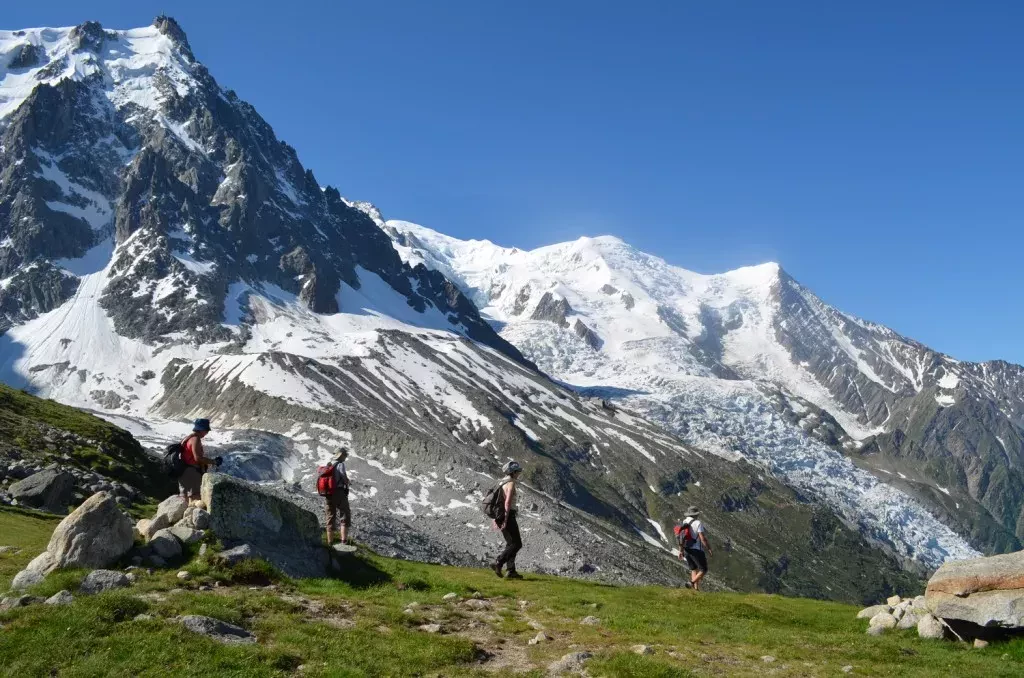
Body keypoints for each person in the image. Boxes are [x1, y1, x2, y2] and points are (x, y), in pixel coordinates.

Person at [491, 460, 524, 580]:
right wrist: (505, 518)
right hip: (508, 515)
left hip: (500, 515)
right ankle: (499, 562)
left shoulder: (501, 483)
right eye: (518, 471)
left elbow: (497, 502)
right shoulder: (510, 483)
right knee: (517, 544)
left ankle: (511, 571)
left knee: (510, 543)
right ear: (513, 472)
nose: (519, 473)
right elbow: (508, 502)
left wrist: (496, 518)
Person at [179, 418, 220, 500]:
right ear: (201, 429)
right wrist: (214, 461)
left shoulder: (188, 438)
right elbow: (198, 458)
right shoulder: (195, 439)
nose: (207, 433)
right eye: (206, 430)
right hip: (192, 473)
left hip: (184, 472)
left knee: (185, 499)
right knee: (195, 499)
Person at [677, 506, 712, 590]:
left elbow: (681, 537)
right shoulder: (698, 523)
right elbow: (702, 538)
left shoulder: (684, 522)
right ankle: (691, 583)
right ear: (696, 514)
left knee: (694, 569)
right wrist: (709, 548)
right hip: (696, 550)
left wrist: (680, 551)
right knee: (704, 569)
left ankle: (695, 589)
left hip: (686, 549)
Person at [323, 448, 352, 546]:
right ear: (341, 455)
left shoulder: (329, 464)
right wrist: (347, 481)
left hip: (328, 493)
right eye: (345, 455)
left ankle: (330, 543)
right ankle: (343, 541)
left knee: (330, 516)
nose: (346, 457)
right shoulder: (340, 464)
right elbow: (342, 474)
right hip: (338, 492)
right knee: (345, 513)